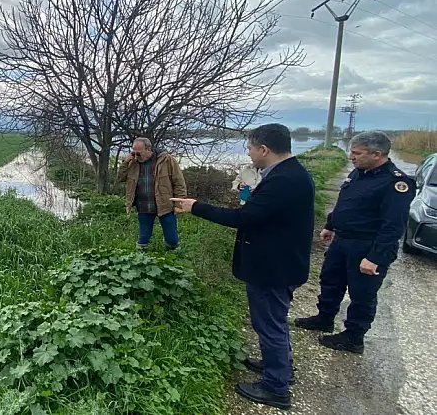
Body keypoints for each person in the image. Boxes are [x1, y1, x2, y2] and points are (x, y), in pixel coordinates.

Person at [171, 124, 315, 410]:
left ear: (264, 149)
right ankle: (280, 367)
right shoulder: (290, 174)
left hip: (272, 268)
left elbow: (244, 218)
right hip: (282, 262)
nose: (248, 152)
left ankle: (276, 387)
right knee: (274, 320)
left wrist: (195, 206)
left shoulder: (284, 180)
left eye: (249, 147)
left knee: (269, 323)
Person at [294, 131, 416, 354]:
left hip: (367, 245)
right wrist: (330, 224)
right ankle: (324, 318)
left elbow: (393, 227)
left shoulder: (395, 183)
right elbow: (345, 202)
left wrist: (375, 258)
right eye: (351, 151)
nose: (351, 156)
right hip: (342, 240)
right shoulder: (359, 173)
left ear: (377, 154)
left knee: (362, 293)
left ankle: (353, 337)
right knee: (330, 281)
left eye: (356, 153)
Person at [116, 137, 187, 251]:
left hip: (165, 205)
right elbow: (120, 178)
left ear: (148, 149)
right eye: (134, 152)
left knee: (172, 239)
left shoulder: (167, 160)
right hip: (143, 206)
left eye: (138, 152)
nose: (135, 155)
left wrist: (179, 202)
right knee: (143, 238)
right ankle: (141, 261)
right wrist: (125, 162)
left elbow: (179, 182)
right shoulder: (132, 161)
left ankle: (174, 259)